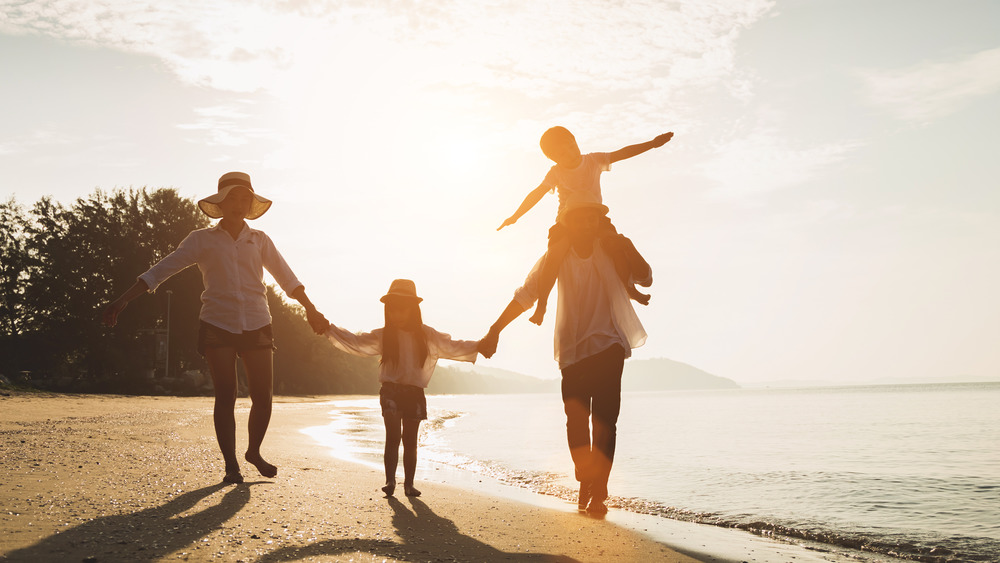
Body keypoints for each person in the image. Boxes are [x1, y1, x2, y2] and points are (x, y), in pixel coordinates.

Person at [102, 171, 328, 484]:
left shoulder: (259, 240)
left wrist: (311, 309)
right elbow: (162, 270)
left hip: (258, 320)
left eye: (243, 198)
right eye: (231, 198)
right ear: (220, 203)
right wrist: (122, 300)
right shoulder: (201, 240)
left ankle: (254, 451)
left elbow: (286, 277)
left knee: (263, 396)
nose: (237, 203)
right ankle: (231, 465)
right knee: (226, 393)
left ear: (249, 204)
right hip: (217, 322)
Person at [481, 201, 652, 516]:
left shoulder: (610, 249)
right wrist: (495, 330)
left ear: (599, 222)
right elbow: (525, 294)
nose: (587, 225)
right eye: (580, 219)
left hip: (609, 343)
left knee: (606, 420)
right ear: (569, 224)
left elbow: (646, 279)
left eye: (593, 219)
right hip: (572, 350)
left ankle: (598, 492)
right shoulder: (555, 257)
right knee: (576, 419)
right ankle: (586, 476)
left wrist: (628, 247)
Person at [319, 279, 487, 498]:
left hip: (414, 393)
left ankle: (409, 484)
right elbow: (356, 342)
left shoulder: (427, 335)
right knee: (393, 437)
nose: (397, 314)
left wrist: (480, 345)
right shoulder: (384, 335)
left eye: (402, 309)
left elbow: (453, 346)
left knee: (410, 441)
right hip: (390, 391)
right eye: (392, 309)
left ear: (413, 309)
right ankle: (390, 481)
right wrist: (328, 329)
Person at [497, 126, 672, 325]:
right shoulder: (556, 172)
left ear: (575, 140)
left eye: (571, 147)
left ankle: (629, 288)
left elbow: (622, 153)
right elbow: (536, 193)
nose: (570, 154)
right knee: (553, 256)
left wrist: (652, 144)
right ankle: (542, 304)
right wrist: (515, 216)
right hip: (566, 223)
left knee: (615, 245)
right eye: (562, 154)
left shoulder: (593, 160)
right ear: (554, 159)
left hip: (596, 219)